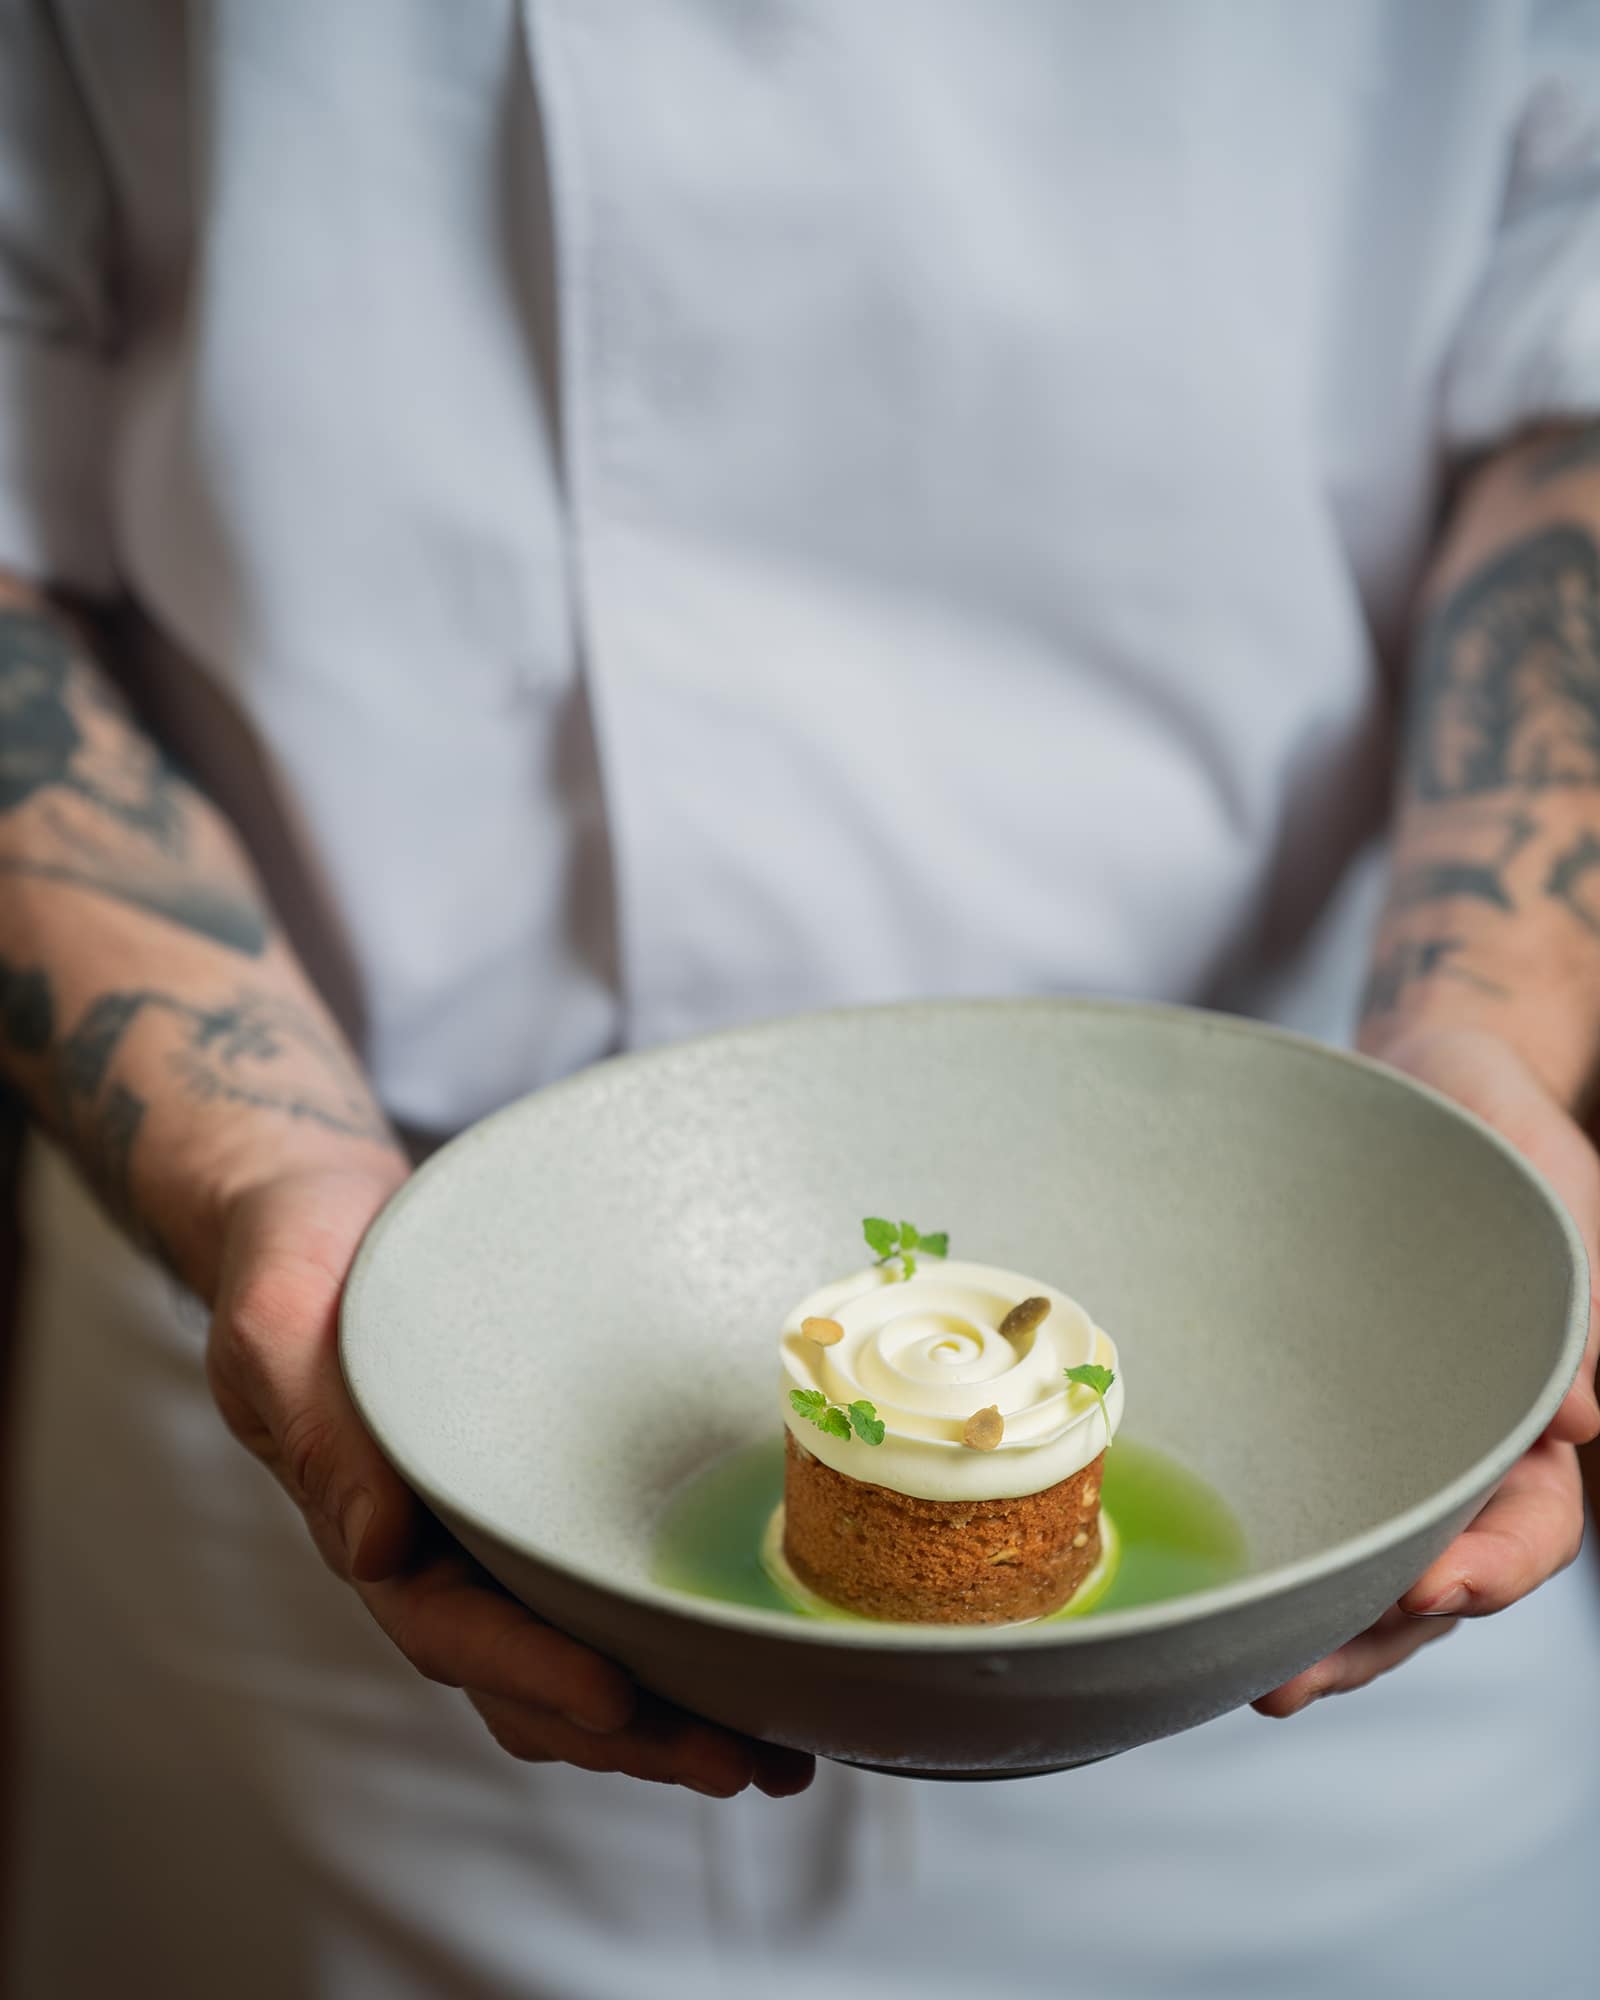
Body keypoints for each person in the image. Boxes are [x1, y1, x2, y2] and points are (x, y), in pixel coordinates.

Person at [3, 3, 1599, 1995]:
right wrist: (260, 1169)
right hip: (350, 1457)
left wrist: (1478, 1043)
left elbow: (1573, 367)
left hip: (1321, 1396)